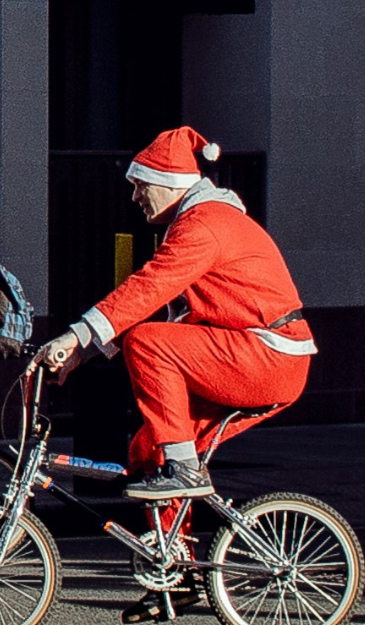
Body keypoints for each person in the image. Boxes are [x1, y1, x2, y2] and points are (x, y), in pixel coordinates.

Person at [34, 127, 313, 503]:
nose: (135, 197)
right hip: (259, 354)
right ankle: (174, 555)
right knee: (152, 449)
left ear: (168, 183)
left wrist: (74, 336)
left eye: (140, 185)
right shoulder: (198, 222)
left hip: (268, 355)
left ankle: (184, 470)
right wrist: (82, 354)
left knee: (148, 342)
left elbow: (148, 289)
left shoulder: (205, 224)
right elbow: (157, 303)